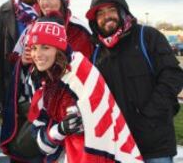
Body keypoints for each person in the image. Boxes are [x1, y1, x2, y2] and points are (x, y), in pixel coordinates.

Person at [24, 14, 143, 163]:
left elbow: (103, 127)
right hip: (58, 157)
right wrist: (60, 130)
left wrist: (84, 122)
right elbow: (41, 138)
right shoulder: (36, 80)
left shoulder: (81, 72)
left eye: (45, 47)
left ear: (59, 49)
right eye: (34, 48)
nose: (37, 55)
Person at [0, 0, 94, 161]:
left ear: (63, 0)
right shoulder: (31, 27)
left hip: (65, 112)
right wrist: (24, 62)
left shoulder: (78, 30)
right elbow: (15, 63)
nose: (46, 2)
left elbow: (82, 71)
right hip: (33, 108)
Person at [85, 0, 183, 163]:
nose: (106, 16)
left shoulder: (148, 37)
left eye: (111, 10)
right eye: (100, 13)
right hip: (120, 147)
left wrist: (149, 114)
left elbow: (173, 76)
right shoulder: (97, 53)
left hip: (155, 145)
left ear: (123, 12)